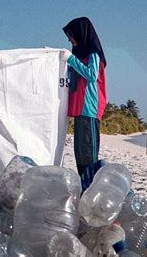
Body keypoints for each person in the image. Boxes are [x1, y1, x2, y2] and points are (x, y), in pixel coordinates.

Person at [61, 17, 107, 190]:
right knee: (80, 154)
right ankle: (85, 189)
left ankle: (92, 191)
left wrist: (71, 60)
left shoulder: (93, 53)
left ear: (81, 33)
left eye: (71, 35)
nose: (69, 39)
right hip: (80, 109)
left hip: (89, 108)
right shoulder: (80, 56)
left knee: (88, 154)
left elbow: (91, 74)